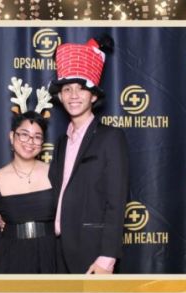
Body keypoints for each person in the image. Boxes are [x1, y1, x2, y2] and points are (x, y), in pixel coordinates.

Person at [48, 35, 129, 274]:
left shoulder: (110, 137)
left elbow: (116, 202)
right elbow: (57, 192)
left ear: (94, 96)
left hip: (93, 252)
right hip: (57, 250)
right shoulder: (62, 142)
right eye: (67, 89)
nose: (74, 95)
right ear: (60, 96)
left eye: (81, 89)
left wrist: (107, 258)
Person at [0, 78, 57, 273]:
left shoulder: (55, 172)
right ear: (12, 137)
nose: (30, 141)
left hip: (51, 253)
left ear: (43, 142)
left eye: (37, 137)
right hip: (11, 257)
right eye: (24, 134)